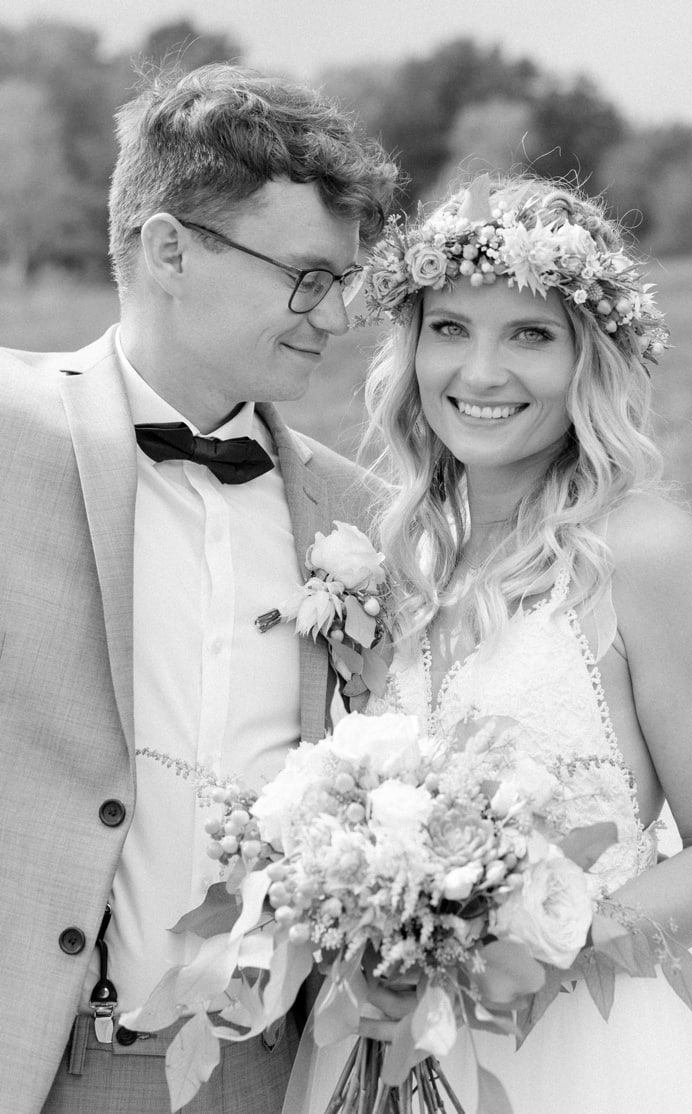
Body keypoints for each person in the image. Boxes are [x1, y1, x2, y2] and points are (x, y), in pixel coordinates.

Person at [280, 173, 692, 1113]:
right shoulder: (390, 557)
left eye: (529, 334)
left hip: (582, 1058)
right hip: (378, 1043)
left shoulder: (645, 553)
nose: (481, 374)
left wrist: (536, 947)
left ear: (589, 361)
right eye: (449, 329)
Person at [0, 64, 395, 1113]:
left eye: (345, 281)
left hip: (279, 1070)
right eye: (306, 276)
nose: (337, 312)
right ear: (170, 248)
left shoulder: (357, 512)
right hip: (44, 1063)